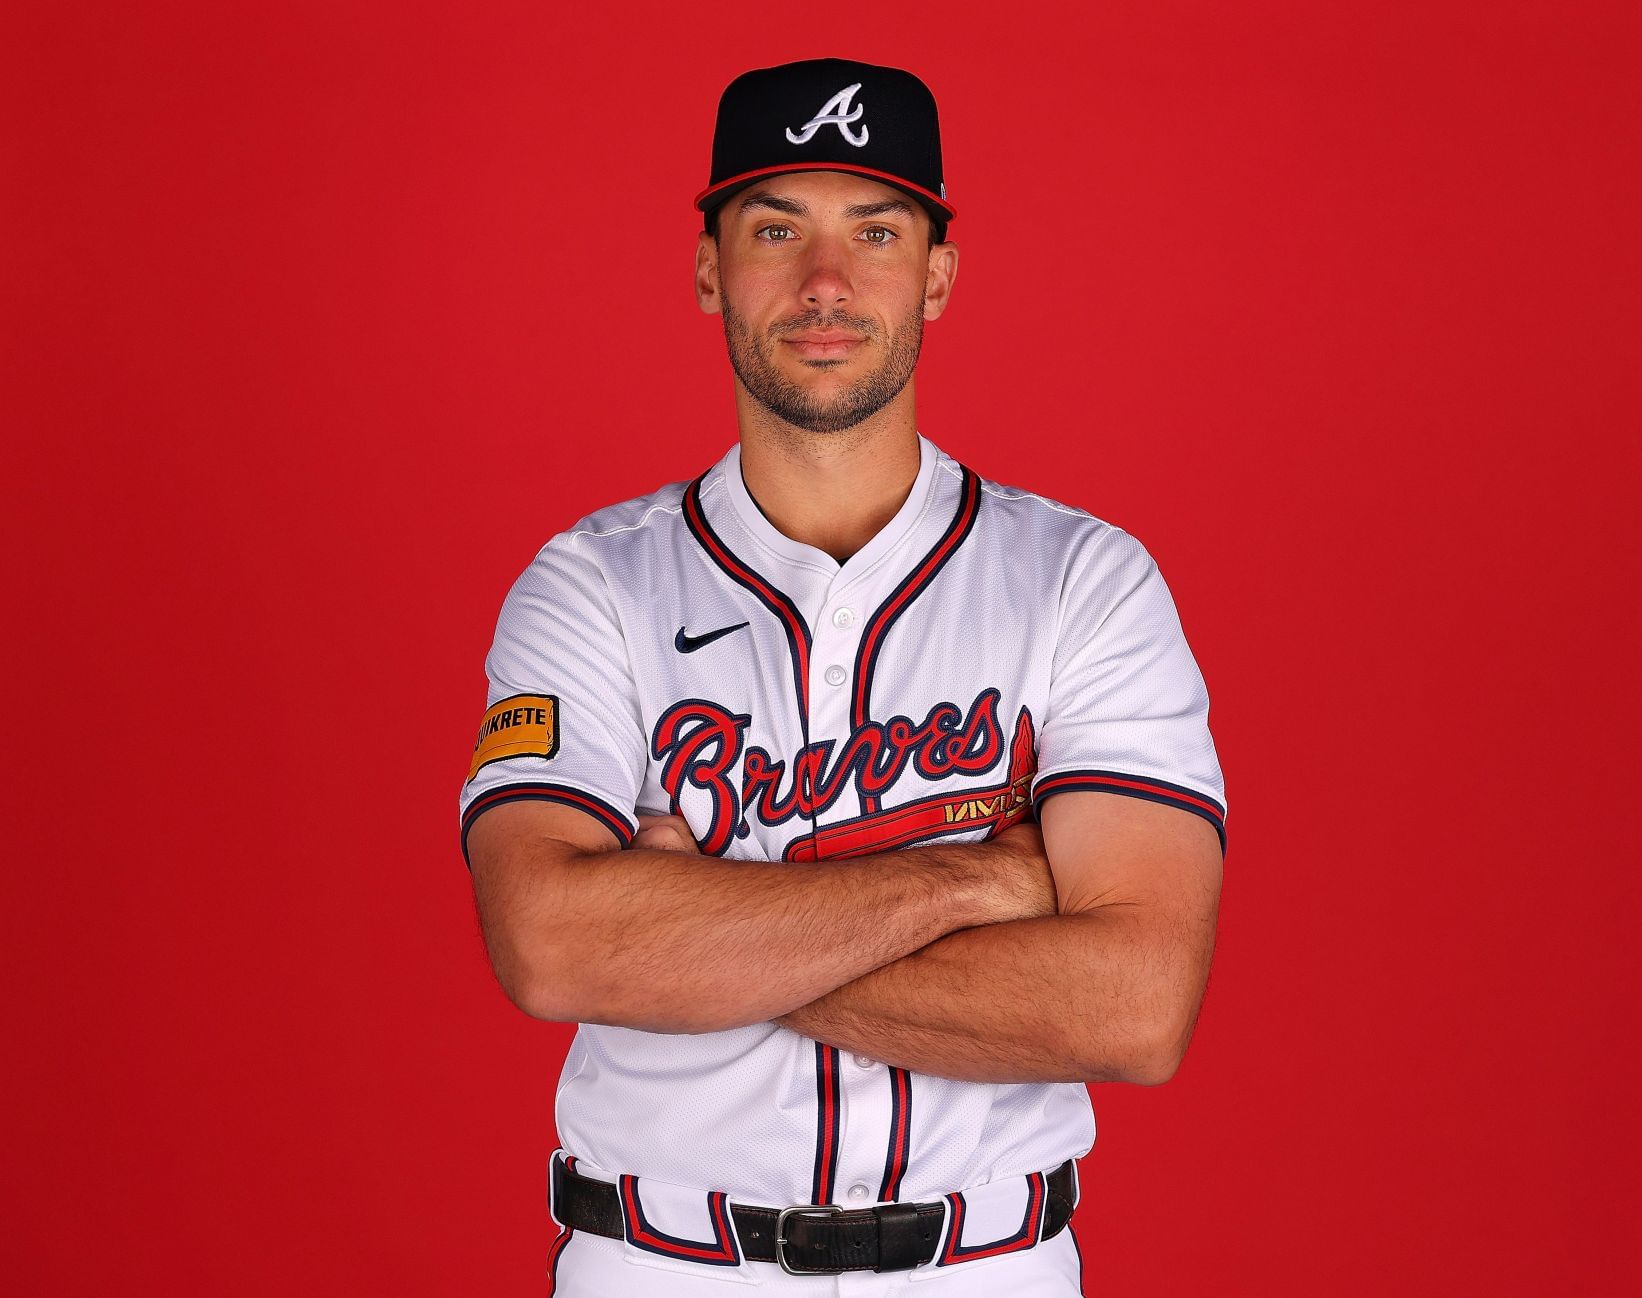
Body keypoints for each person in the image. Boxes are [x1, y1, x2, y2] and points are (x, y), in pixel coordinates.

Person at [458, 57, 1228, 1296]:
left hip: (987, 1267)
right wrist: (981, 879)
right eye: (777, 228)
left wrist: (702, 923)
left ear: (937, 272)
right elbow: (550, 944)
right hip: (659, 1263)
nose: (827, 282)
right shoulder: (591, 585)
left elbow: (1134, 1005)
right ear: (711, 268)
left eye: (875, 230)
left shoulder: (1085, 581)